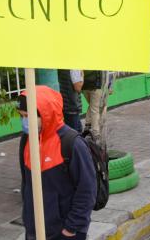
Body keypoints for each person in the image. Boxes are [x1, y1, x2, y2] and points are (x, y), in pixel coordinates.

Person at [17, 86, 97, 240]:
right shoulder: (26, 141)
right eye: (21, 116)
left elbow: (87, 189)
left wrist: (71, 228)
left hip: (65, 232)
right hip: (35, 231)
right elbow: (26, 184)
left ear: (46, 114)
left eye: (28, 116)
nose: (24, 121)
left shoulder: (72, 144)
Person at [82, 71, 102, 136]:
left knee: (92, 105)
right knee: (95, 109)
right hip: (95, 87)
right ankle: (95, 132)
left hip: (84, 87)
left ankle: (87, 125)